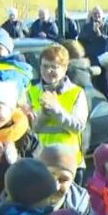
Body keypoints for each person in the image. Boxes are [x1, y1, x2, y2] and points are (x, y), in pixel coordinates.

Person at [30, 44, 89, 175]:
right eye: (45, 66)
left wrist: (56, 110)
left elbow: (78, 126)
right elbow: (30, 129)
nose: (48, 71)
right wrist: (44, 114)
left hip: (69, 163)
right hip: (41, 161)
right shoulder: (31, 91)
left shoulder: (76, 93)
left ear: (64, 68)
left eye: (54, 67)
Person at [0, 81, 39, 201]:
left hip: (21, 199)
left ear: (11, 109)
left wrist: (15, 159)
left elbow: (35, 172)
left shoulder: (27, 137)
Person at [39, 145, 103, 215]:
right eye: (49, 176)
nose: (55, 186)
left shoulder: (80, 205)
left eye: (63, 179)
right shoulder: (19, 199)